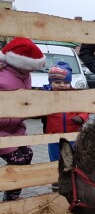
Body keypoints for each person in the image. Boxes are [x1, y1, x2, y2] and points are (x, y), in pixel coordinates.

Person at [0, 37, 46, 201]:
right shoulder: (2, 78)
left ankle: (12, 195)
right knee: (18, 163)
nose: (31, 71)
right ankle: (10, 199)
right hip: (1, 130)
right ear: (19, 64)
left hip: (16, 128)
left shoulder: (25, 76)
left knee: (28, 155)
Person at [43, 62, 89, 191]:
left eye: (66, 82)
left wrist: (81, 118)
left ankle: (75, 181)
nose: (62, 85)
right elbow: (37, 110)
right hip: (53, 137)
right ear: (51, 83)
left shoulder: (75, 96)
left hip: (73, 135)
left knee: (74, 159)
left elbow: (85, 109)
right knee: (56, 160)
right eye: (57, 82)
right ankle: (57, 183)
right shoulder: (45, 96)